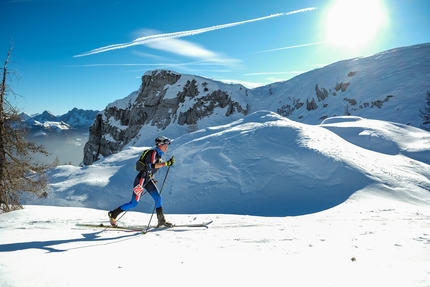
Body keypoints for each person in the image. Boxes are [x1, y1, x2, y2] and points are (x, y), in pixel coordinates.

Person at [108, 136, 175, 227]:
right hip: (141, 180)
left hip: (147, 180)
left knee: (158, 199)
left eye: (167, 145)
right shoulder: (153, 152)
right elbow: (150, 166)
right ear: (159, 145)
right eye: (165, 145)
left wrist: (152, 178)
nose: (167, 147)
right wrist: (166, 163)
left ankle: (161, 221)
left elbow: (151, 170)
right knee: (134, 203)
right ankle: (113, 214)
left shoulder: (158, 155)